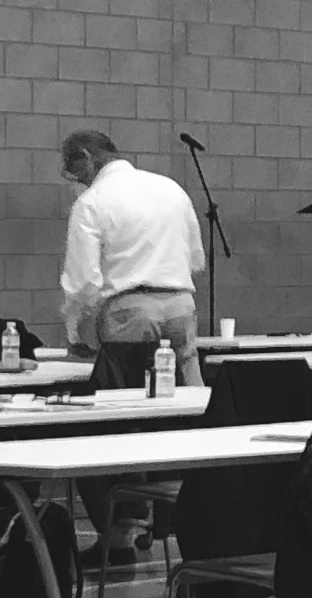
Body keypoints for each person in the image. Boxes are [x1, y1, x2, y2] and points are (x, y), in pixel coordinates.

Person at [57, 129, 207, 564]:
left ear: (86, 157)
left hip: (129, 313)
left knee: (113, 426)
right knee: (185, 417)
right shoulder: (171, 189)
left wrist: (75, 332)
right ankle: (181, 526)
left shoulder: (93, 202)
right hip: (180, 307)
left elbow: (83, 281)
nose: (73, 179)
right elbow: (195, 259)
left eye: (72, 169)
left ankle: (121, 534)